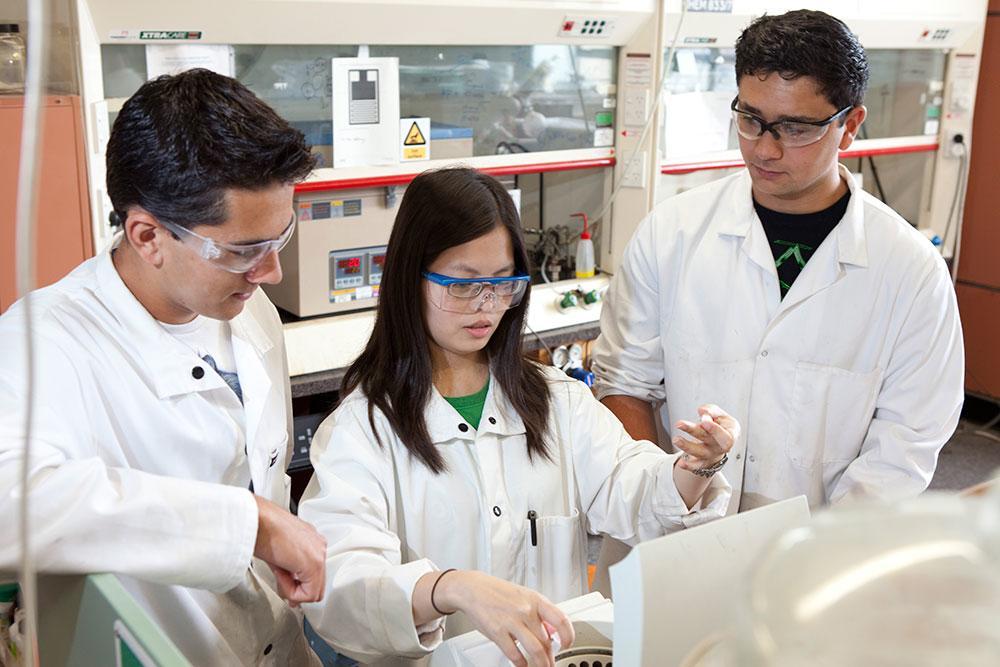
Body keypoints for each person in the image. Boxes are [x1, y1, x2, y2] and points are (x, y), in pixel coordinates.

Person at [297, 168, 737, 667]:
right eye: (461, 285)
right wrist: (449, 588)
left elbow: (629, 484)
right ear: (409, 279)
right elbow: (340, 586)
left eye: (502, 283)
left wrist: (695, 468)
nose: (487, 306)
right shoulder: (363, 431)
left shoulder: (556, 402)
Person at [0, 69, 327, 665]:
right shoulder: (45, 340)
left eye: (279, 238)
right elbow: (9, 504)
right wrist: (242, 523)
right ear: (148, 235)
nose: (272, 273)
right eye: (243, 251)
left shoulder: (251, 316)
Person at [593, 11, 963, 524]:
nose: (764, 148)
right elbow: (624, 384)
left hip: (818, 558)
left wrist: (817, 553)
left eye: (794, 128)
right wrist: (667, 499)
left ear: (850, 125)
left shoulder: (908, 270)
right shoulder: (671, 233)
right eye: (751, 119)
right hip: (668, 536)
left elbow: (907, 441)